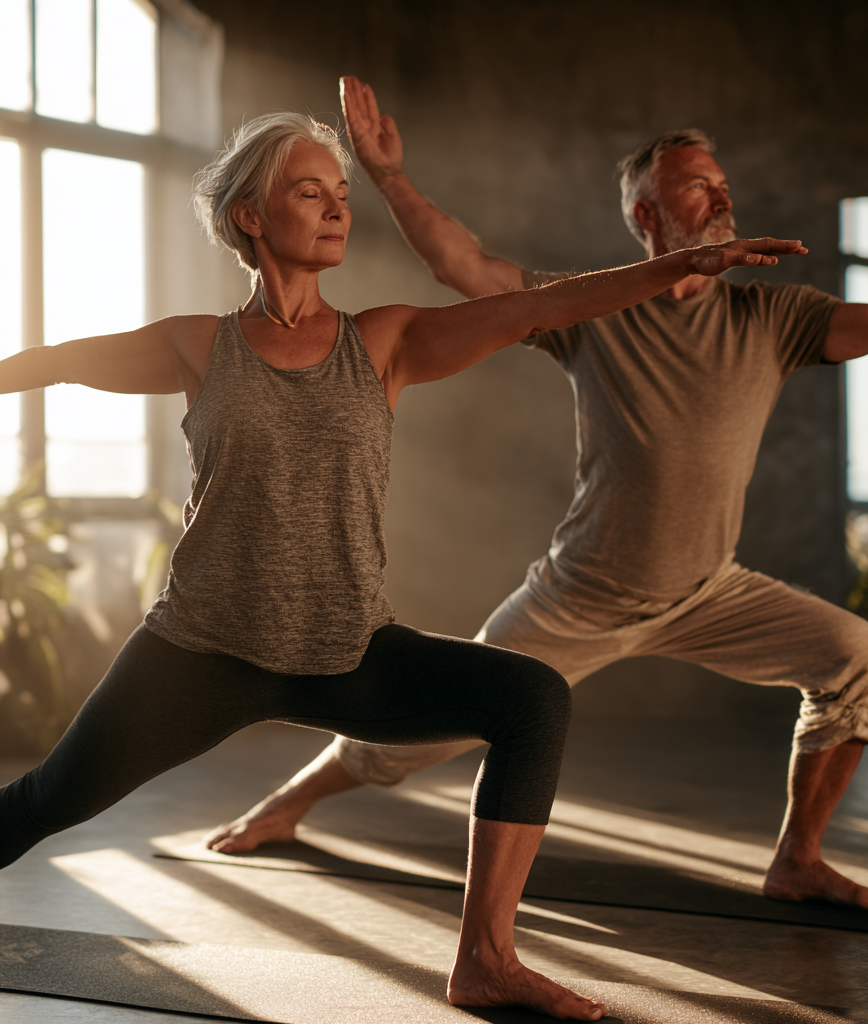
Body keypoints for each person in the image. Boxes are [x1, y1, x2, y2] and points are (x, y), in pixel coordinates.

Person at [0, 112, 803, 1019]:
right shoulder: (199, 345)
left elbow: (540, 307)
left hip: (347, 652)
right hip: (201, 654)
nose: (337, 209)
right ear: (250, 216)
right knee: (37, 804)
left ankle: (486, 959)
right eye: (311, 192)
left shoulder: (384, 340)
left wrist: (678, 265)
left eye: (342, 196)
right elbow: (55, 362)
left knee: (532, 699)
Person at [206, 79, 868, 913]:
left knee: (861, 656)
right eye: (697, 184)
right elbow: (465, 266)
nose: (721, 195)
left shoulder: (777, 317)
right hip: (581, 596)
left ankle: (798, 861)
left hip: (710, 589)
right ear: (647, 216)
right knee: (428, 728)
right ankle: (289, 802)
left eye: (723, 181)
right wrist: (386, 176)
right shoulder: (594, 310)